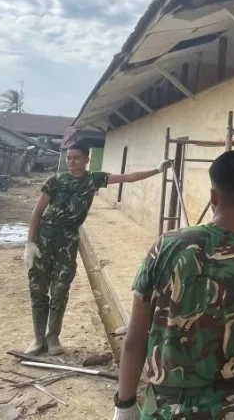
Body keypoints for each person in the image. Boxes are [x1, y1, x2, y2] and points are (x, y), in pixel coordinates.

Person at [112, 150, 234, 420]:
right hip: (229, 410)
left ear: (213, 196)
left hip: (164, 410)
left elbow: (135, 339)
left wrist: (124, 405)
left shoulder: (166, 246)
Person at [23, 142, 170, 355]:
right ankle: (38, 338)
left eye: (76, 157)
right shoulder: (55, 180)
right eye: (69, 157)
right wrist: (30, 243)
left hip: (68, 242)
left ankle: (53, 336)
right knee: (38, 289)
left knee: (60, 290)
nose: (71, 161)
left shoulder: (93, 179)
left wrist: (156, 170)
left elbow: (129, 177)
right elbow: (37, 212)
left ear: (86, 159)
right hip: (44, 239)